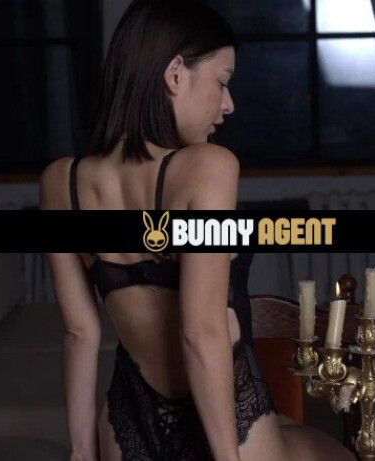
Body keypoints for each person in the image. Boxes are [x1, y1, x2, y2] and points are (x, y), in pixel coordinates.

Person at [39, 1, 356, 460]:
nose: (229, 104)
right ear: (174, 74)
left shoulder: (59, 182)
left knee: (292, 431)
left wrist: (82, 453)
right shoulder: (207, 167)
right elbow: (201, 330)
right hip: (226, 424)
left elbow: (79, 332)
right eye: (222, 82)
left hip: (128, 424)